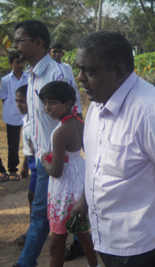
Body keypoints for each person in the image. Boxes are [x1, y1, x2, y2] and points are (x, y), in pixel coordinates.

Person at [73, 31, 155, 267]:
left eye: (89, 71)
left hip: (142, 239)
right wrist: (85, 199)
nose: (80, 77)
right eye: (79, 69)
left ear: (119, 72)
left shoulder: (152, 112)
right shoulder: (96, 104)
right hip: (105, 232)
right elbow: (96, 162)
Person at [12, 20, 83, 267]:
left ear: (38, 42)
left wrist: (60, 154)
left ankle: (25, 263)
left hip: (57, 160)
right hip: (43, 157)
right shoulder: (32, 76)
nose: (15, 44)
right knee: (64, 215)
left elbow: (75, 116)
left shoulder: (57, 73)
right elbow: (33, 120)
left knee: (42, 216)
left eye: (20, 39)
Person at [37, 81, 99, 267]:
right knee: (81, 231)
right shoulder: (79, 122)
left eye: (53, 102)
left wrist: (43, 160)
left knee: (56, 246)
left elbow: (56, 171)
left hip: (64, 189)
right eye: (45, 102)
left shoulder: (60, 132)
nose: (48, 107)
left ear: (68, 103)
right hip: (78, 182)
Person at [13, 85, 37, 245]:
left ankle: (33, 231)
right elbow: (28, 148)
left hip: (40, 166)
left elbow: (35, 148)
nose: (18, 104)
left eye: (22, 101)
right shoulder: (27, 119)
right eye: (16, 101)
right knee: (33, 197)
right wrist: (24, 165)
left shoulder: (35, 121)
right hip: (32, 164)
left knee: (34, 197)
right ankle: (33, 228)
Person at [0, 50, 28, 182]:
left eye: (22, 62)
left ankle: (30, 165)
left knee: (31, 141)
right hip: (11, 115)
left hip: (28, 115)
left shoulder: (29, 77)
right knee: (13, 144)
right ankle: (12, 169)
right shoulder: (5, 80)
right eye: (17, 62)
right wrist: (12, 109)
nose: (21, 64)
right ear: (11, 63)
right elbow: (4, 98)